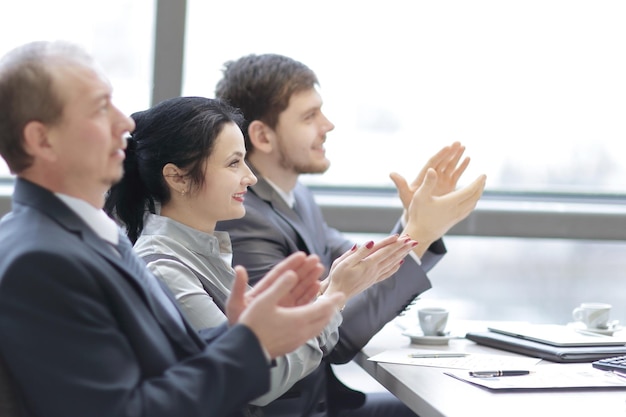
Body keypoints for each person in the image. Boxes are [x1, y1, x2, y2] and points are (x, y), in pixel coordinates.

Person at [0, 41, 343, 417]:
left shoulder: (94, 233)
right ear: (40, 140)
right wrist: (253, 344)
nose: (125, 122)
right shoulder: (41, 260)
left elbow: (168, 358)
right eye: (100, 108)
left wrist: (242, 330)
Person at [104, 95, 418, 413]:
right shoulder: (165, 270)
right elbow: (258, 380)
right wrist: (336, 294)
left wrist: (332, 288)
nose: (250, 178)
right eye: (233, 163)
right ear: (177, 177)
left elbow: (261, 338)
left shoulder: (199, 252)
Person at [214, 53, 488, 416]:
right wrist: (419, 234)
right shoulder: (243, 217)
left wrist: (413, 224)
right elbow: (325, 337)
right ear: (263, 135)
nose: (327, 125)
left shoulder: (299, 199)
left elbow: (356, 269)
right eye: (310, 116)